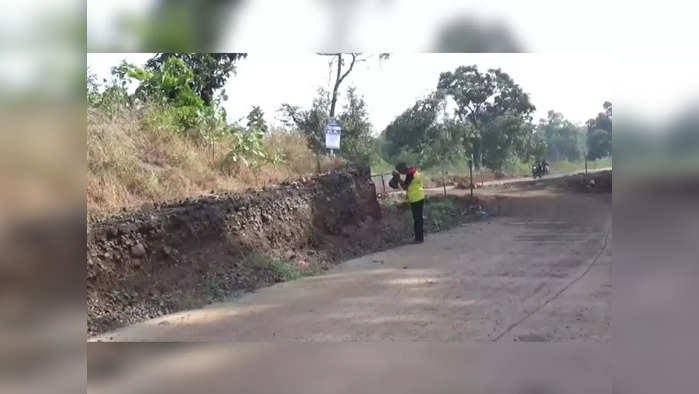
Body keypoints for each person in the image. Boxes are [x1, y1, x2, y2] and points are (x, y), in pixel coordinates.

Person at [394, 162, 425, 243]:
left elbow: (405, 186)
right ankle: (420, 237)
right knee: (419, 218)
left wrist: (398, 178)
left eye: (400, 171)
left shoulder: (410, 174)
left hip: (415, 198)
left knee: (417, 219)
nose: (401, 173)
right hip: (420, 195)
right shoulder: (414, 170)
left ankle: (419, 239)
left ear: (402, 169)